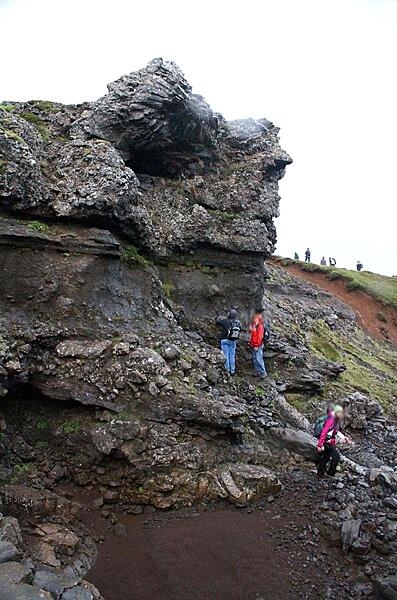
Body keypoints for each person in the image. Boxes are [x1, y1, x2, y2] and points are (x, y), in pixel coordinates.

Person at [315, 404, 352, 478]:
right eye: (340, 413)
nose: (342, 414)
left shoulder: (335, 420)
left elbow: (336, 431)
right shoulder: (331, 420)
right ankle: (329, 473)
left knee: (326, 457)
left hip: (328, 441)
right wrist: (320, 444)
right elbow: (324, 432)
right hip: (325, 441)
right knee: (336, 457)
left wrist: (345, 438)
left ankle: (321, 473)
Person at [216, 309, 241, 376]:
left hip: (225, 340)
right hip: (233, 341)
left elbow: (218, 322)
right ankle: (232, 371)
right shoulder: (238, 322)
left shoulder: (226, 321)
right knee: (232, 356)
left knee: (226, 355)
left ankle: (227, 370)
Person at [249, 308, 269, 379]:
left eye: (256, 319)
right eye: (254, 319)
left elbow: (259, 337)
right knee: (255, 358)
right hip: (253, 345)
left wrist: (257, 345)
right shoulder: (255, 326)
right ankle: (257, 371)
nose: (254, 320)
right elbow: (253, 336)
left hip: (258, 345)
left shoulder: (260, 327)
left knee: (259, 358)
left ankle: (263, 372)